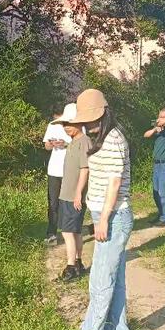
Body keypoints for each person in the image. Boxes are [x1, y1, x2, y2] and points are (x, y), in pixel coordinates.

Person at [71, 89, 134, 330]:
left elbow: (115, 183)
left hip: (113, 216)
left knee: (101, 279)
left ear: (103, 113)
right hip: (107, 215)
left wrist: (104, 219)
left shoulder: (113, 139)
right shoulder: (104, 136)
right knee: (114, 278)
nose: (88, 124)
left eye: (91, 119)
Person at [51, 103, 92, 282]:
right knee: (74, 231)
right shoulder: (73, 142)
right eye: (63, 124)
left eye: (68, 123)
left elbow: (85, 169)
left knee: (68, 232)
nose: (65, 127)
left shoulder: (84, 141)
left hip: (74, 196)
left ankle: (71, 266)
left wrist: (78, 194)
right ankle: (77, 263)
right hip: (66, 194)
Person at [43, 105, 72, 245]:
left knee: (68, 203)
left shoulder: (74, 124)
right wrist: (52, 144)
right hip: (54, 169)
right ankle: (52, 233)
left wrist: (66, 144)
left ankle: (69, 231)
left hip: (70, 169)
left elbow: (81, 145)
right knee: (53, 203)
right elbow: (46, 146)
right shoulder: (51, 126)